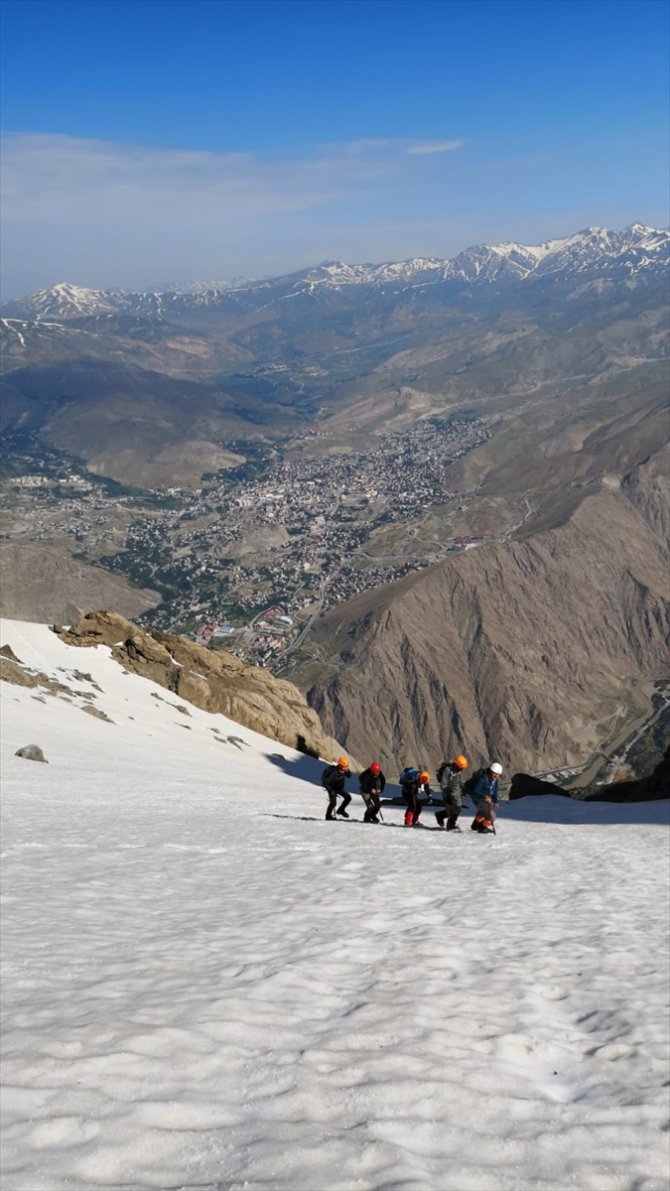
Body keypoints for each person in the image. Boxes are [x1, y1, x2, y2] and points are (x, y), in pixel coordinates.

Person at [435, 754, 468, 831]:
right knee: (452, 810)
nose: (462, 769)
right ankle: (451, 826)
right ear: (457, 765)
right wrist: (447, 796)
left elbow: (460, 781)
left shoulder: (457, 771)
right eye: (461, 767)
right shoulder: (447, 770)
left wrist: (464, 790)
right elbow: (443, 784)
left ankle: (440, 815)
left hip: (456, 794)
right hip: (448, 794)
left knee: (456, 809)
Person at [471, 762, 503, 833]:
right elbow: (476, 791)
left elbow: (494, 792)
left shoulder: (495, 781)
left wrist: (496, 801)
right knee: (491, 817)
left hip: (486, 801)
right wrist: (484, 796)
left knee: (482, 813)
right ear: (490, 772)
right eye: (494, 773)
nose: (496, 776)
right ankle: (482, 827)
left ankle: (475, 825)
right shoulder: (483, 779)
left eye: (498, 774)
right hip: (479, 800)